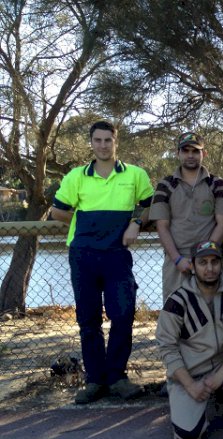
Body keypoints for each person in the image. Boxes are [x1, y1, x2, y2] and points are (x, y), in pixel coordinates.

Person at [50, 120, 153, 404]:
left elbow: (150, 205)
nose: (103, 145)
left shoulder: (135, 174)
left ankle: (117, 377)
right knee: (88, 320)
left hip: (117, 256)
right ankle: (95, 381)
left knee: (122, 316)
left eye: (108, 140)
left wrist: (134, 223)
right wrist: (86, 224)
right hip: (83, 255)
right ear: (91, 143)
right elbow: (57, 211)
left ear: (115, 142)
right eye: (98, 140)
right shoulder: (76, 176)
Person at [155, 241, 223, 439]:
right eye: (203, 262)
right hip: (189, 373)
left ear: (221, 264)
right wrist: (190, 385)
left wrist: (219, 376)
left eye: (215, 262)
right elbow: (166, 347)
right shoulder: (177, 300)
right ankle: (191, 405)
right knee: (189, 437)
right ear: (193, 265)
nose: (210, 268)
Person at [151, 132, 223, 303]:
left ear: (204, 154)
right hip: (176, 261)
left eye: (195, 151)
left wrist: (204, 258)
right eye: (185, 151)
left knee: (211, 312)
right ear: (178, 153)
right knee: (175, 313)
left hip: (210, 261)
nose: (190, 155)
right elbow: (162, 226)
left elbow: (222, 224)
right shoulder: (165, 185)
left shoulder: (217, 184)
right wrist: (177, 259)